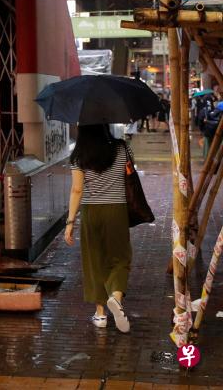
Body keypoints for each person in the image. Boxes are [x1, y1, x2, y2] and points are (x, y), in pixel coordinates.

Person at [65, 124, 132, 334]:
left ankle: (101, 314)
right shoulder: (122, 148)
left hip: (91, 212)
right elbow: (129, 174)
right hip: (117, 209)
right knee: (120, 258)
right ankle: (116, 298)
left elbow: (77, 190)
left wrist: (70, 223)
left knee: (95, 261)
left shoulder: (79, 154)